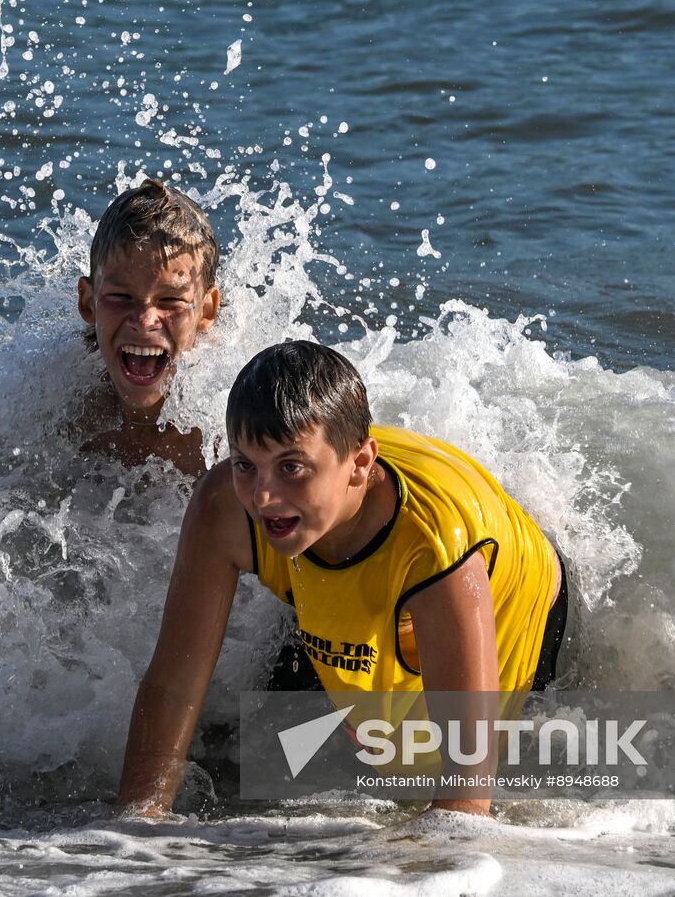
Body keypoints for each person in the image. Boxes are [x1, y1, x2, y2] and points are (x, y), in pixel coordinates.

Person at [116, 340, 572, 817]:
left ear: (359, 466)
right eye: (246, 464)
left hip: (519, 605)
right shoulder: (228, 507)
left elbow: (467, 790)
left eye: (291, 467)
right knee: (263, 767)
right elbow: (173, 683)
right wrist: (131, 836)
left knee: (422, 769)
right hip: (351, 568)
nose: (264, 496)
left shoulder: (433, 547)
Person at [76, 178, 222, 474]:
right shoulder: (66, 416)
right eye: (120, 296)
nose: (144, 321)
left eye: (170, 300)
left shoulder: (222, 438)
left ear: (206, 311)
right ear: (88, 302)